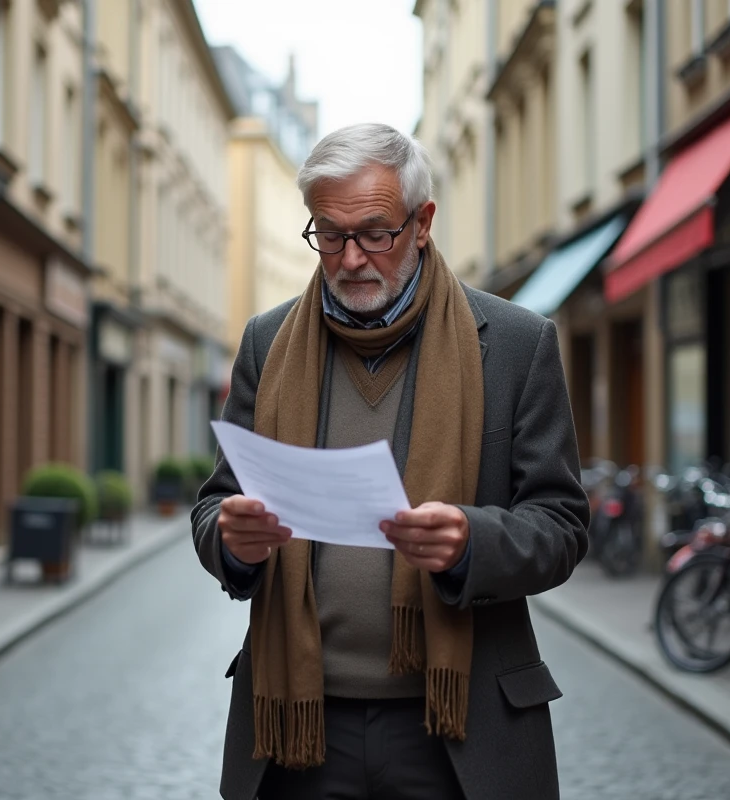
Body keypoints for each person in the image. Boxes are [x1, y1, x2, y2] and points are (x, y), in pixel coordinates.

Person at [191, 123, 590, 800]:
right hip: (299, 729)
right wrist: (232, 541)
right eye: (329, 233)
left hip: (457, 728)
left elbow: (561, 524)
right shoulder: (265, 343)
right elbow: (216, 503)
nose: (350, 258)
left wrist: (473, 541)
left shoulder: (518, 346)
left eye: (376, 232)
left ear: (423, 222)